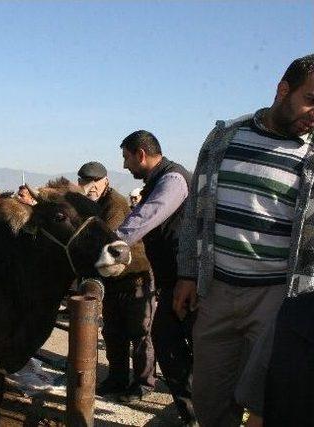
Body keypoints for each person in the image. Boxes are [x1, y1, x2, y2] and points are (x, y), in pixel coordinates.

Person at [174, 54, 314, 427]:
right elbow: (196, 213)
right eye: (311, 100)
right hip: (216, 291)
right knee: (209, 397)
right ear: (283, 90)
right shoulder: (225, 138)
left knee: (270, 400)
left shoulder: (311, 154)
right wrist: (187, 273)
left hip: (276, 299)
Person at [116, 131, 195, 425]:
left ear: (141, 154)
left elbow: (147, 216)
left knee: (184, 347)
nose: (124, 166)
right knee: (168, 344)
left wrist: (113, 243)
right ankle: (191, 412)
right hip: (172, 282)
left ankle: (201, 412)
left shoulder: (172, 180)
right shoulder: (159, 181)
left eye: (126, 157)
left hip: (187, 283)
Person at [77, 161, 157, 402]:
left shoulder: (115, 204)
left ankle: (143, 384)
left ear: (106, 181)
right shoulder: (89, 205)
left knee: (140, 334)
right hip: (111, 280)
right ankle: (117, 378)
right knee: (113, 333)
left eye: (95, 182)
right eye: (85, 182)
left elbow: (105, 243)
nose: (90, 187)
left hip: (135, 277)